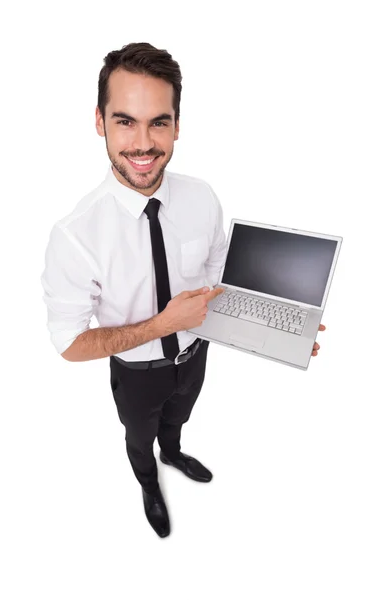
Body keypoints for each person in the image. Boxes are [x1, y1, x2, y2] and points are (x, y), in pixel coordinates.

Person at [41, 42, 325, 538]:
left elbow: (216, 279)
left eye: (159, 121)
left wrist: (266, 320)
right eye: (125, 121)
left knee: (179, 417)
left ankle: (171, 454)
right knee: (139, 434)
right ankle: (149, 482)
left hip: (196, 354)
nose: (144, 143)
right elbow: (69, 344)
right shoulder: (74, 235)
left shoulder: (202, 197)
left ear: (176, 124)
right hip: (136, 372)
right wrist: (160, 326)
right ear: (99, 121)